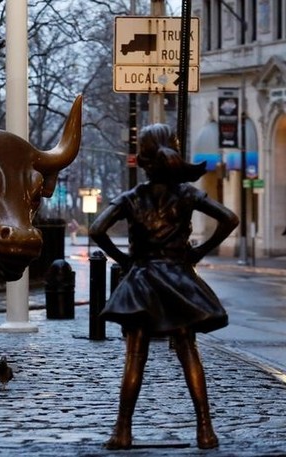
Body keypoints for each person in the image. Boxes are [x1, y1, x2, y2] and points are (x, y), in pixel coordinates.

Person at [89, 123, 239, 450]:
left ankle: (123, 432)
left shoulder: (132, 197)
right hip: (178, 278)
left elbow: (97, 228)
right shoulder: (186, 194)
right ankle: (205, 431)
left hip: (141, 281)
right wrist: (198, 251)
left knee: (135, 358)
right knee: (188, 352)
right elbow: (230, 218)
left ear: (142, 160)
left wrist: (125, 261)